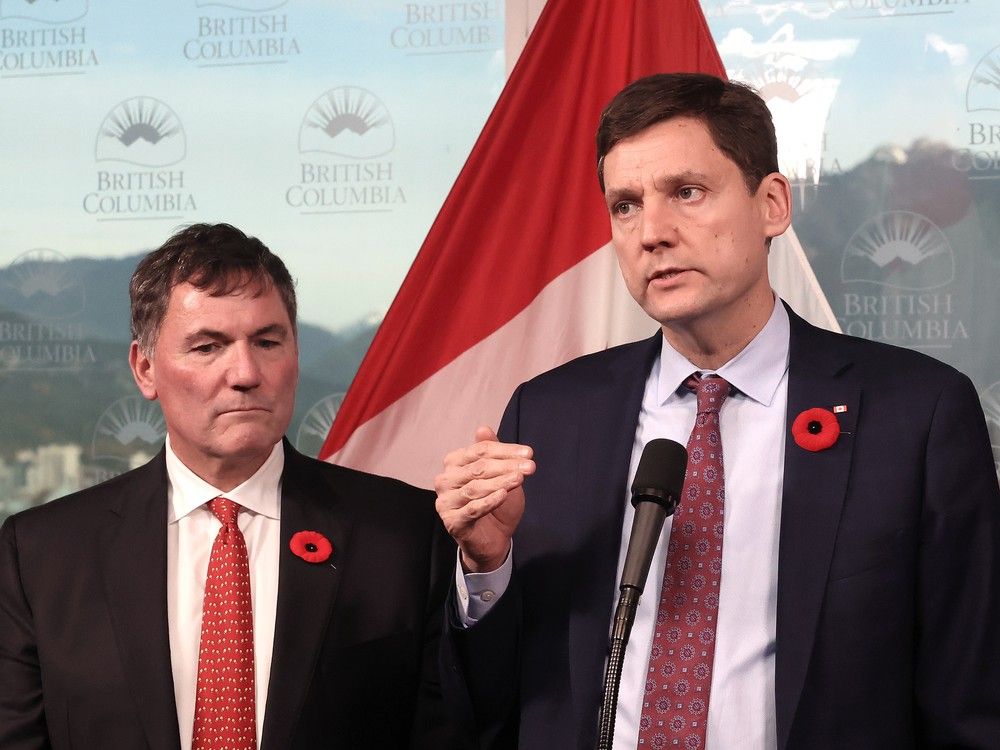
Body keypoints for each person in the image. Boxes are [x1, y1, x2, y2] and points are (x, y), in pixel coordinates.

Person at [434, 74, 1000, 749]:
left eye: (687, 193)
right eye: (625, 205)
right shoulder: (551, 417)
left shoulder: (916, 416)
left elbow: (969, 703)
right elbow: (494, 707)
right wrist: (487, 566)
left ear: (772, 204)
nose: (652, 233)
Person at [0, 223, 460, 749]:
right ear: (145, 369)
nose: (245, 373)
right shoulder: (40, 555)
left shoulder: (404, 534)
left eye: (267, 342)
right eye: (207, 347)